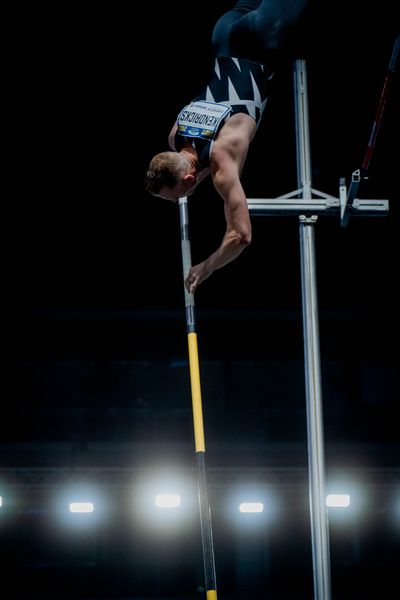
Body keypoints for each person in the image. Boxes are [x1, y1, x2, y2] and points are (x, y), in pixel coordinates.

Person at [145, 1, 309, 294]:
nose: (182, 200)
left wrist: (205, 267)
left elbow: (242, 235)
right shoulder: (175, 135)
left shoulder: (222, 161)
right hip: (223, 35)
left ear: (188, 179)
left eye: (177, 196)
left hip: (259, 41)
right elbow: (196, 165)